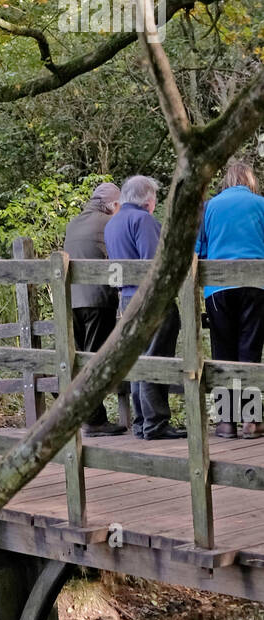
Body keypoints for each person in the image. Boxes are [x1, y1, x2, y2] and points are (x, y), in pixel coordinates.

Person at [103, 174, 185, 440]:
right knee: (155, 357)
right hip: (149, 298)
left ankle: (141, 421)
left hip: (126, 298)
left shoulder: (112, 223)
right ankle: (155, 422)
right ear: (148, 200)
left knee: (137, 359)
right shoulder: (143, 220)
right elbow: (153, 263)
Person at [196, 161, 264, 439]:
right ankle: (250, 421)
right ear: (249, 180)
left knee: (222, 350)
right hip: (255, 284)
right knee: (249, 350)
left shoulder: (211, 207)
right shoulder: (261, 204)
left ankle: (225, 422)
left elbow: (200, 248)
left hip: (218, 287)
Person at [63, 182, 126, 435]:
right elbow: (114, 260)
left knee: (81, 358)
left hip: (73, 300)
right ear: (113, 205)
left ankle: (86, 416)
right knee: (96, 359)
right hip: (98, 299)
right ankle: (94, 420)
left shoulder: (74, 223)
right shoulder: (108, 223)